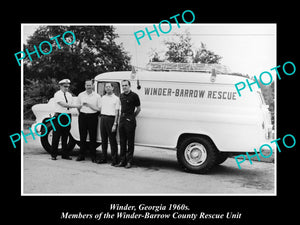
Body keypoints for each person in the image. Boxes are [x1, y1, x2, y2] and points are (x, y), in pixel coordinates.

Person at [51, 79, 81, 160]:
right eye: (65, 86)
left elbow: (70, 105)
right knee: (56, 135)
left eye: (68, 87)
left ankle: (65, 154)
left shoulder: (69, 95)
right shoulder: (57, 94)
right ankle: (54, 154)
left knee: (66, 135)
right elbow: (63, 104)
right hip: (59, 116)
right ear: (60, 86)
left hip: (67, 116)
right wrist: (76, 106)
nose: (66, 88)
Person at [116, 80, 141, 168]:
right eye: (123, 85)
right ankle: (122, 161)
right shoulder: (121, 95)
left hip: (130, 120)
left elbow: (138, 109)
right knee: (122, 141)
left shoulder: (134, 96)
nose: (124, 87)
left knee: (130, 142)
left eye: (126, 85)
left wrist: (132, 117)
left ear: (129, 86)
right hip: (122, 119)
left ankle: (129, 161)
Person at [76, 80, 101, 162]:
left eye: (90, 85)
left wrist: (89, 105)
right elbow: (78, 107)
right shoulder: (80, 95)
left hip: (93, 117)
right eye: (87, 85)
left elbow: (99, 109)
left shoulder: (97, 96)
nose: (88, 87)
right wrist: (82, 113)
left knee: (92, 137)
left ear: (92, 86)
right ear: (85, 86)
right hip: (83, 116)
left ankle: (93, 156)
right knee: (82, 136)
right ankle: (81, 155)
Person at [97, 83, 120, 166]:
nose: (107, 88)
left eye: (109, 87)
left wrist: (115, 123)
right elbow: (99, 108)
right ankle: (104, 158)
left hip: (111, 119)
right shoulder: (102, 98)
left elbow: (117, 112)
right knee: (104, 140)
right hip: (103, 118)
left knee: (112, 140)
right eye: (106, 87)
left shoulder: (116, 99)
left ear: (113, 88)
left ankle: (115, 159)